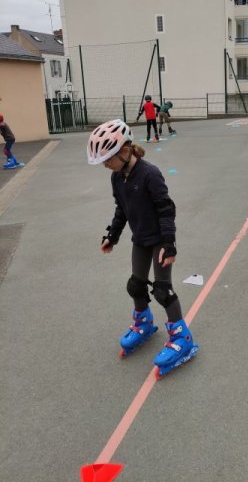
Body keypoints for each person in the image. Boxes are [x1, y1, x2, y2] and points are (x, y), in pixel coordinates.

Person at [87, 119, 198, 377]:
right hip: (140, 239)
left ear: (125, 151)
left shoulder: (150, 174)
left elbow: (166, 209)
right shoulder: (117, 177)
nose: (105, 165)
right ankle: (144, 323)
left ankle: (182, 337)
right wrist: (112, 236)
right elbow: (121, 209)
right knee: (135, 285)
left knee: (162, 290)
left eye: (108, 159)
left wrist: (169, 243)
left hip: (159, 240)